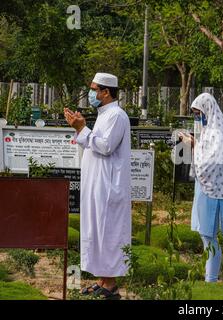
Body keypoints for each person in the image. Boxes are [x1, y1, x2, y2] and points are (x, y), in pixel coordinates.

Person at [64, 72, 131, 300]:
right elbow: (92, 142)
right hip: (98, 184)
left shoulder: (117, 116)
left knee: (108, 232)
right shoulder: (104, 115)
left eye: (94, 89)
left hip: (108, 186)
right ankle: (102, 280)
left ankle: (110, 285)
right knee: (96, 230)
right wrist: (79, 127)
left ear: (106, 92)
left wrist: (82, 129)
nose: (91, 93)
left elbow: (105, 146)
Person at [179, 93, 223, 282]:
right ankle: (209, 277)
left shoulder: (219, 132)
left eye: (199, 112)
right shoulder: (210, 130)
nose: (198, 116)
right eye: (195, 113)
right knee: (205, 234)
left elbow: (211, 162)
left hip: (214, 189)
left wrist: (192, 145)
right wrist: (194, 144)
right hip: (206, 187)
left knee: (208, 234)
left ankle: (211, 278)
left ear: (208, 110)